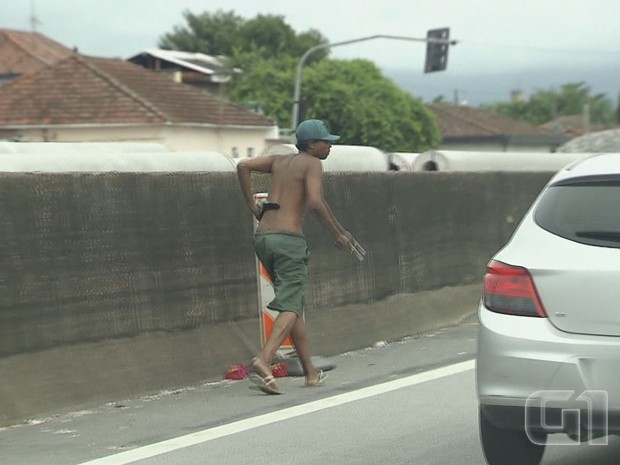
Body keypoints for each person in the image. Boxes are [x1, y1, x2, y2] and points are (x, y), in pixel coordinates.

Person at [236, 119, 359, 395]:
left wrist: (250, 204)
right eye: (326, 141)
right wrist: (339, 233)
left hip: (264, 239)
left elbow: (243, 166)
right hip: (288, 242)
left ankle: (311, 373)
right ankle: (264, 360)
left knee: (292, 307)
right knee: (291, 305)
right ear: (311, 144)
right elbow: (315, 202)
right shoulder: (312, 164)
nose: (330, 146)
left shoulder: (279, 160)